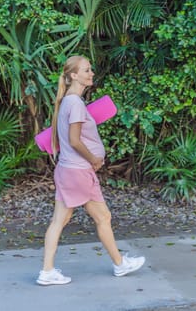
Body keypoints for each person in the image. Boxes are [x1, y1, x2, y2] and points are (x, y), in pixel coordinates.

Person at [36, 55, 145, 286]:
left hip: (68, 171)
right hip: (79, 172)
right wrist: (94, 159)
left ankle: (47, 271)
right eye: (86, 70)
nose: (91, 73)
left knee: (58, 221)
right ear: (73, 75)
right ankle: (120, 264)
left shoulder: (67, 101)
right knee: (103, 217)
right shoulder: (74, 103)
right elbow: (75, 141)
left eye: (90, 69)